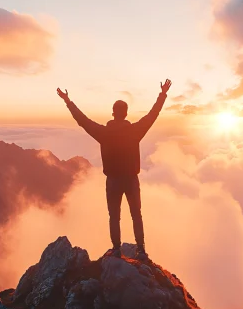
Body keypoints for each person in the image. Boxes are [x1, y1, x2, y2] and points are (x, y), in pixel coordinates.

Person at [57, 80, 172, 259]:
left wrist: (68, 100)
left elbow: (82, 120)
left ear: (113, 113)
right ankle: (141, 250)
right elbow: (153, 115)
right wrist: (163, 94)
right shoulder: (135, 131)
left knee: (114, 216)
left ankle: (116, 249)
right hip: (132, 179)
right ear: (126, 114)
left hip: (113, 181)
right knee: (136, 215)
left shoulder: (104, 133)